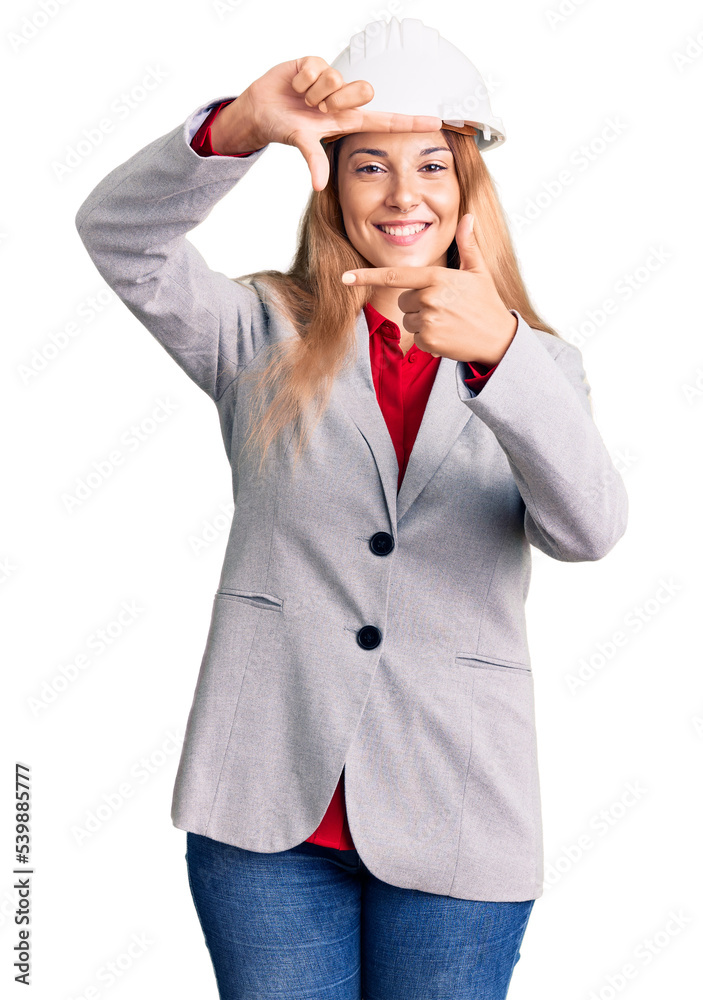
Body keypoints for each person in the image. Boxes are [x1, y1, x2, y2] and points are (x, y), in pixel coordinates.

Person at [74, 16, 628, 1000]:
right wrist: (232, 130)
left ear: (467, 187)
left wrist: (501, 353)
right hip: (264, 814)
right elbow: (119, 239)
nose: (403, 194)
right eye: (369, 166)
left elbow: (587, 528)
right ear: (329, 182)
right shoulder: (259, 330)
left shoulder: (541, 367)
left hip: (458, 808)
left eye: (430, 165)